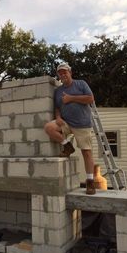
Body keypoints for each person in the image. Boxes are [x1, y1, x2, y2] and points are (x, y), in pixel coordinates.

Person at [44, 63, 96, 195]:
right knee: (49, 127)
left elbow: (90, 98)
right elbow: (57, 107)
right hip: (66, 123)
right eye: (60, 73)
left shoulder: (81, 84)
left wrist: (71, 98)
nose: (62, 75)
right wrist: (58, 116)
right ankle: (67, 146)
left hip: (82, 124)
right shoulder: (58, 91)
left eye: (64, 72)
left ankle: (90, 182)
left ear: (70, 72)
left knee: (86, 152)